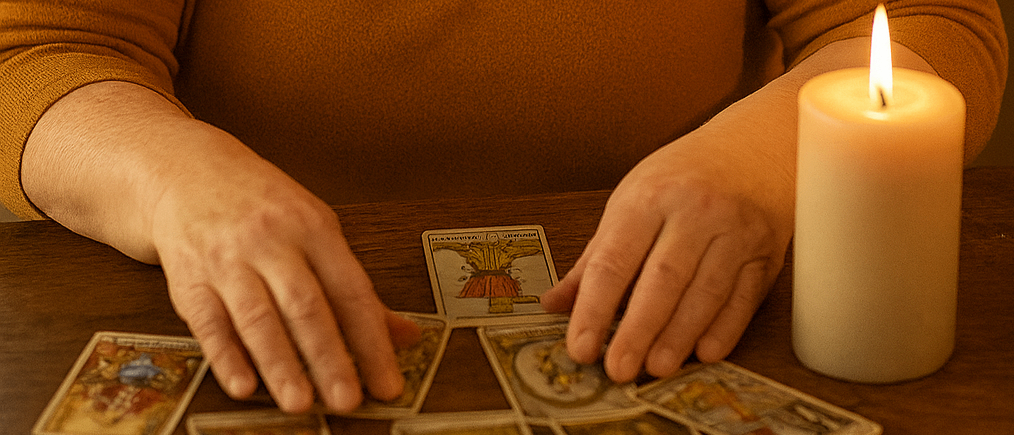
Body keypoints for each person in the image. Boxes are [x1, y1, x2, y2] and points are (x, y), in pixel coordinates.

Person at [1, 0, 1005, 415]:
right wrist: (177, 180)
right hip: (258, 331)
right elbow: (36, 50)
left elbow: (930, 23)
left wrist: (759, 159)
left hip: (698, 310)